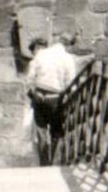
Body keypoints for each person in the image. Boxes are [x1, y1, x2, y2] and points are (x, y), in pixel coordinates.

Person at [26, 34, 78, 165]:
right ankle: (54, 163)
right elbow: (70, 82)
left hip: (39, 94)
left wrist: (33, 92)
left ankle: (43, 163)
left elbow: (30, 77)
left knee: (41, 131)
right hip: (55, 97)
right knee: (56, 131)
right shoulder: (67, 58)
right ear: (67, 45)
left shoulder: (41, 54)